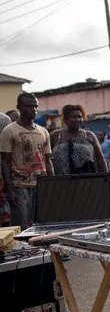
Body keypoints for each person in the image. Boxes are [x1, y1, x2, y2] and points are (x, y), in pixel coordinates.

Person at [0, 93, 54, 230]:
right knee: (21, 227)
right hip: (19, 186)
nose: (34, 110)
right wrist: (10, 190)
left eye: (36, 106)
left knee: (41, 225)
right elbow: (5, 162)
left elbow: (47, 160)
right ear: (19, 107)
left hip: (40, 185)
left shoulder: (43, 132)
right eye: (29, 106)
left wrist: (53, 184)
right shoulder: (9, 131)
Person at [50, 105, 107, 175]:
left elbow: (100, 158)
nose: (78, 119)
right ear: (65, 119)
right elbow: (46, 159)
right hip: (60, 181)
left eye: (80, 117)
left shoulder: (89, 135)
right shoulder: (55, 135)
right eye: (74, 117)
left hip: (87, 181)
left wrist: (106, 178)